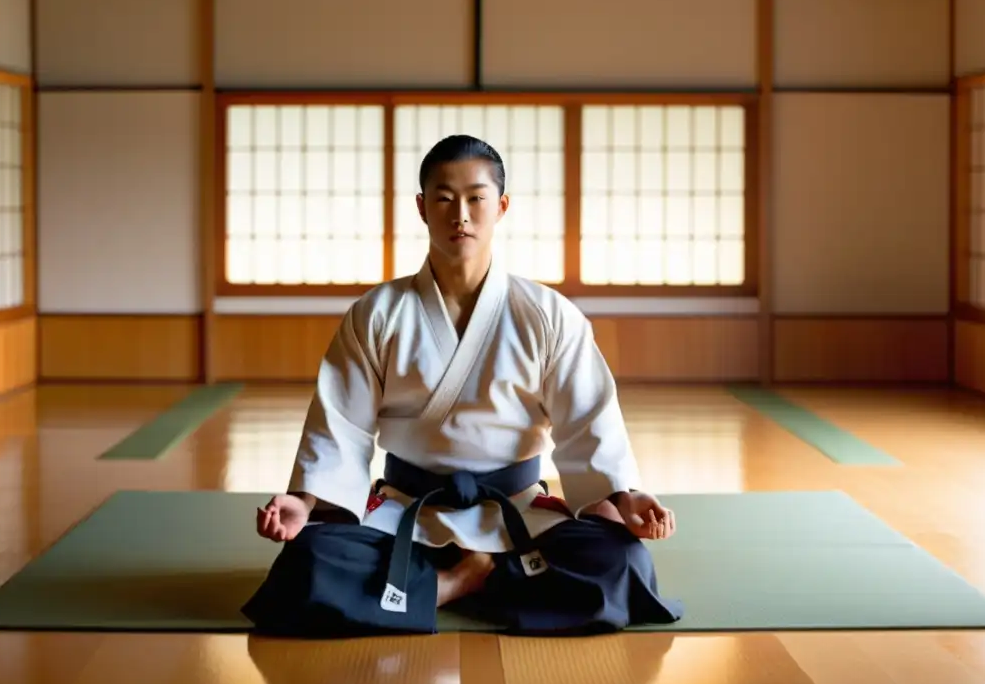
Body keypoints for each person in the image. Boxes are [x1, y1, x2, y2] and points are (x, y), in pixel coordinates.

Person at [241, 134, 684, 638]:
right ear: (421, 207)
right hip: (407, 506)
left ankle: (430, 589)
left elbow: (589, 420)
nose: (462, 215)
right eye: (444, 198)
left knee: (620, 558)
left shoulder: (547, 314)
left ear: (501, 206)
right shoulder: (377, 314)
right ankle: (468, 583)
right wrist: (305, 500)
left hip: (513, 509)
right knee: (309, 560)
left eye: (476, 198)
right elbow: (340, 424)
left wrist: (624, 496)